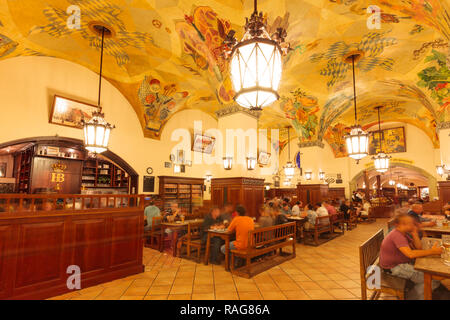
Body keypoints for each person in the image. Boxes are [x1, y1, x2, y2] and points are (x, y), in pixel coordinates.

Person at [379, 211, 443, 300]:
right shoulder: (396, 235)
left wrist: (414, 233)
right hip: (394, 268)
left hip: (400, 264)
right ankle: (412, 297)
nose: (411, 225)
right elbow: (410, 254)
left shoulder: (403, 233)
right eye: (407, 224)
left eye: (411, 223)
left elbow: (418, 248)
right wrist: (433, 251)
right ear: (398, 225)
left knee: (431, 276)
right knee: (432, 280)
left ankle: (415, 295)